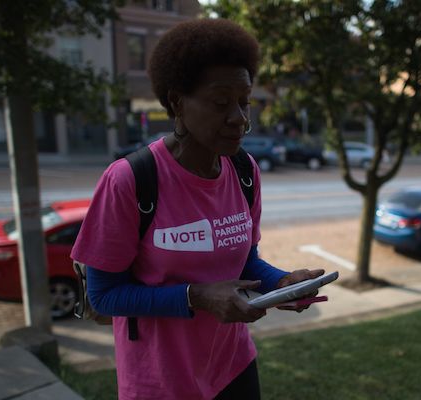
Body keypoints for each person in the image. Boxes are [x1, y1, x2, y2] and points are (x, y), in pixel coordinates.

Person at [70, 19, 323, 400]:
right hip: (159, 384)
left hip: (233, 367)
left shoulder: (244, 171)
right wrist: (196, 296)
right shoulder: (129, 180)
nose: (239, 117)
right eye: (221, 103)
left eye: (244, 101)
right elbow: (104, 296)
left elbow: (245, 263)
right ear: (177, 102)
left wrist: (282, 283)